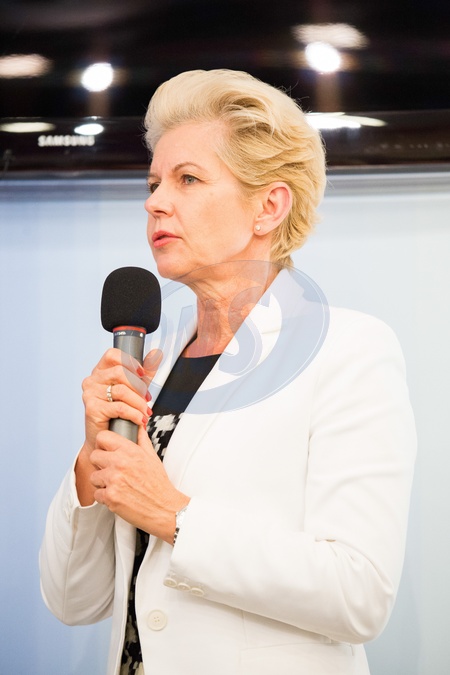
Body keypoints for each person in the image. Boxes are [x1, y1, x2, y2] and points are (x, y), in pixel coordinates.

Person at [40, 69, 416, 675]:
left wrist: (174, 516)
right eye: (154, 182)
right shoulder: (153, 363)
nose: (155, 201)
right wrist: (93, 458)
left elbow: (359, 594)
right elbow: (72, 601)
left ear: (269, 206)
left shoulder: (347, 350)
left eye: (188, 179)